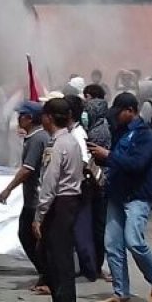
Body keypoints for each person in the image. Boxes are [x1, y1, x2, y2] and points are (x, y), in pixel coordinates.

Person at [89, 93, 152, 302]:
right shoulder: (119, 132)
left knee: (134, 241)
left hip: (138, 196)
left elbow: (137, 165)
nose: (116, 117)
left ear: (131, 111)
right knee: (112, 244)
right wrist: (97, 157)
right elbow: (114, 161)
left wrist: (108, 156)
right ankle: (121, 292)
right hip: (117, 194)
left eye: (119, 112)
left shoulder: (145, 137)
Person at [33, 98, 84, 302]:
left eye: (43, 116)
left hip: (59, 204)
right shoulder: (71, 140)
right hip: (70, 202)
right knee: (59, 256)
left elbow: (50, 182)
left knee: (57, 258)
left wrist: (39, 216)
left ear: (50, 118)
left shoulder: (56, 145)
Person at [0, 100, 50, 293]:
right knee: (31, 238)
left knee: (30, 237)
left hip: (36, 199)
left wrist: (8, 188)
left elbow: (28, 169)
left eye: (21, 115)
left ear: (29, 118)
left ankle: (48, 276)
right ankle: (45, 275)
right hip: (33, 198)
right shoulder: (37, 137)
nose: (18, 119)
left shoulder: (37, 139)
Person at [66, 95, 97, 281]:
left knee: (81, 229)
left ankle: (89, 269)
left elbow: (85, 161)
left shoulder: (77, 135)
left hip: (79, 187)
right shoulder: (71, 132)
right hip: (74, 187)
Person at [83, 87, 112, 279]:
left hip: (100, 184)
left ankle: (96, 265)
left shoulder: (99, 131)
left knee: (98, 226)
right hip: (98, 183)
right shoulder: (98, 125)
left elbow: (95, 158)